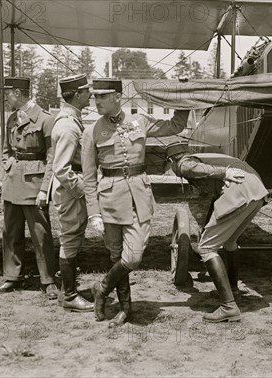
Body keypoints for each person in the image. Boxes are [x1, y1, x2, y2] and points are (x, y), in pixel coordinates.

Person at [82, 78, 190, 326]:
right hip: (109, 200)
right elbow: (88, 178)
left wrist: (185, 97)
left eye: (102, 96)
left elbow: (175, 125)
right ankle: (125, 310)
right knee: (115, 256)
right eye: (94, 97)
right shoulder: (91, 132)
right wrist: (93, 213)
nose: (96, 101)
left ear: (117, 97)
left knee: (133, 257)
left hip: (139, 197)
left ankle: (102, 287)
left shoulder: (138, 121)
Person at [166, 140, 269, 322]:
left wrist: (223, 173)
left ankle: (228, 306)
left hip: (239, 190)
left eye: (169, 165)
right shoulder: (211, 156)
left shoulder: (184, 162)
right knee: (230, 242)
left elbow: (190, 168)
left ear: (172, 160)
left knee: (206, 249)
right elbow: (216, 200)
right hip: (257, 189)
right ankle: (234, 290)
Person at [0, 77, 59, 300]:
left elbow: (52, 158)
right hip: (12, 182)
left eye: (8, 93)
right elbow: (7, 152)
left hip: (34, 184)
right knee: (10, 233)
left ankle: (48, 280)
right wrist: (1, 178)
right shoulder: (11, 119)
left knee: (41, 235)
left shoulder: (45, 119)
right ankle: (12, 277)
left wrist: (44, 188)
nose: (5, 97)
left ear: (18, 93)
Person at [51, 74, 94, 312]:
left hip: (72, 189)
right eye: (87, 90)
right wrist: (83, 191)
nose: (91, 94)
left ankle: (67, 292)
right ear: (77, 94)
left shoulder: (71, 120)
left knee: (73, 238)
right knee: (69, 239)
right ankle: (68, 296)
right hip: (71, 191)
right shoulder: (68, 126)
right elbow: (61, 169)